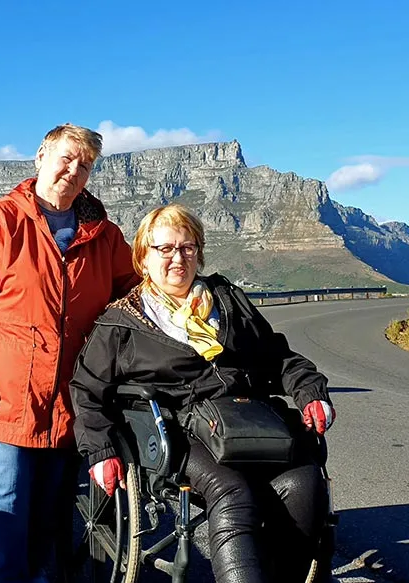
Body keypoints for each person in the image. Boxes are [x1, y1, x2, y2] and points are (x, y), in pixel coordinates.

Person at [69, 203, 337, 583]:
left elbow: (278, 357)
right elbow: (87, 390)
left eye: (187, 247)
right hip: (180, 431)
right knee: (232, 490)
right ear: (143, 258)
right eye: (165, 249)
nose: (178, 258)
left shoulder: (228, 301)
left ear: (199, 252)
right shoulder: (121, 323)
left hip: (247, 419)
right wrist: (100, 451)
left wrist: (311, 392)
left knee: (303, 484)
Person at [0, 123, 140, 583]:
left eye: (84, 165)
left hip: (72, 398)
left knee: (53, 506)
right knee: (7, 496)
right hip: (8, 395)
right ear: (41, 156)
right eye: (66, 158)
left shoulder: (104, 235)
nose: (73, 171)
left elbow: (133, 294)